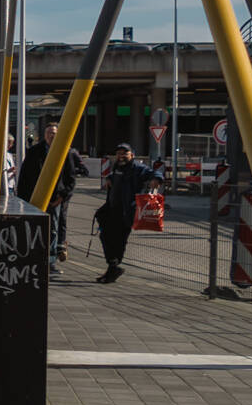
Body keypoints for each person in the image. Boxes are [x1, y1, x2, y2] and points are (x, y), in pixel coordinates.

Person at [18, 121, 88, 267]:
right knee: (35, 227)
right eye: (49, 133)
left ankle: (50, 262)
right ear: (44, 135)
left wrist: (62, 196)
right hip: (35, 197)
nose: (51, 136)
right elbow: (25, 176)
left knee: (53, 228)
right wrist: (22, 198)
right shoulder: (34, 151)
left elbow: (70, 178)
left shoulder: (65, 151)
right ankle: (34, 257)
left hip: (55, 198)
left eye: (54, 133)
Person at [95, 142, 161, 284]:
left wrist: (156, 179)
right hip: (112, 209)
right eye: (119, 153)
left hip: (127, 212)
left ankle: (113, 268)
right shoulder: (117, 167)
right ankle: (113, 266)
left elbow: (154, 173)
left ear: (132, 155)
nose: (121, 156)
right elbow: (116, 178)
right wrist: (109, 178)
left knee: (119, 240)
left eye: (125, 153)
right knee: (105, 236)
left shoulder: (138, 168)